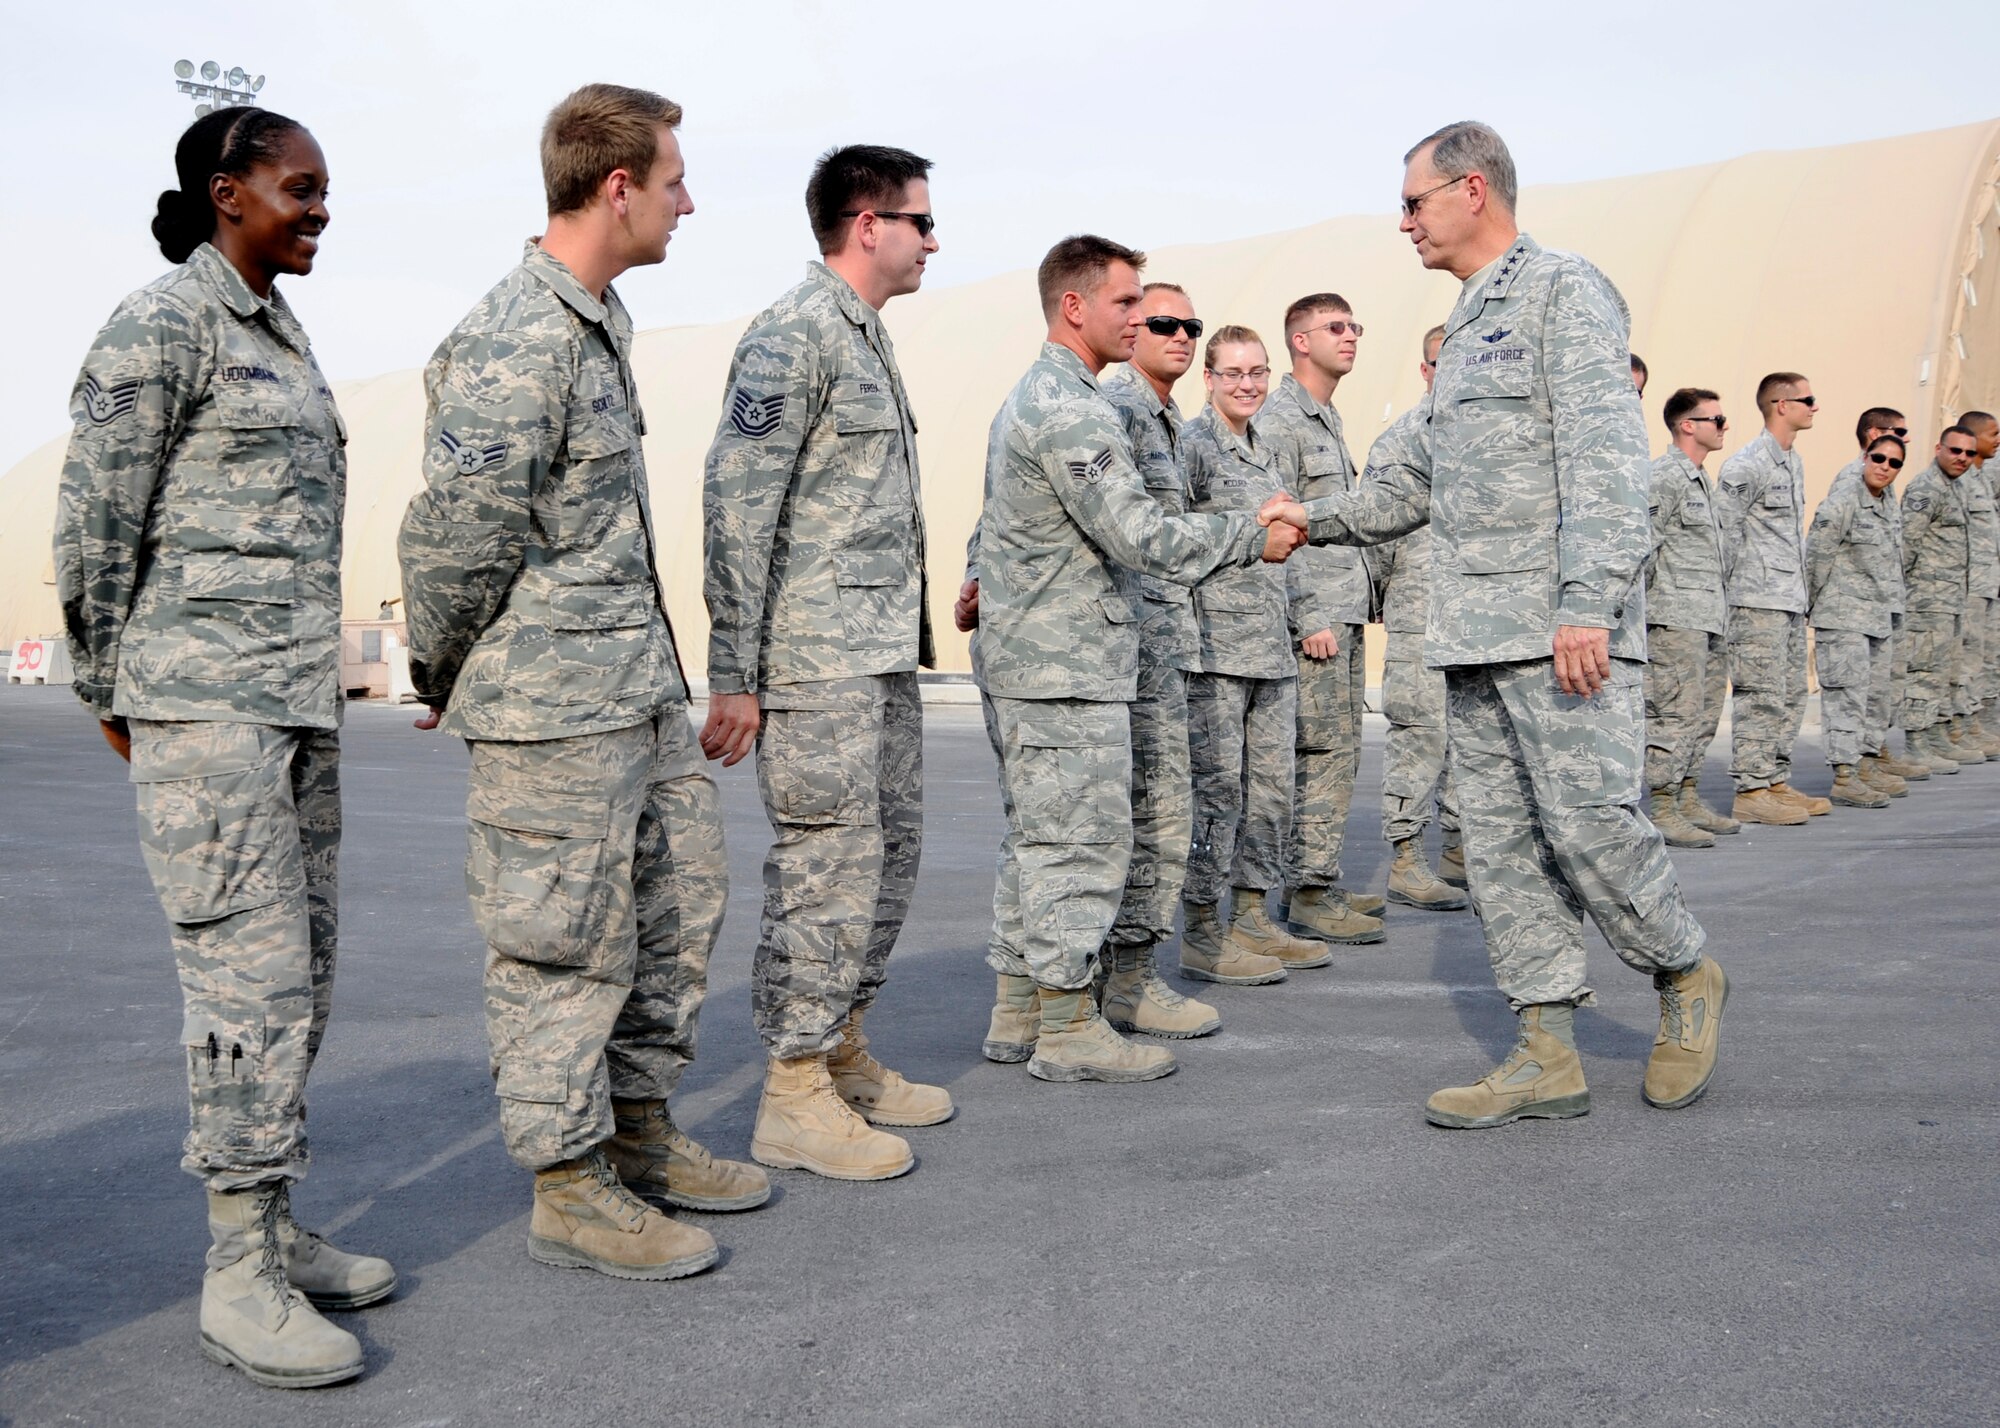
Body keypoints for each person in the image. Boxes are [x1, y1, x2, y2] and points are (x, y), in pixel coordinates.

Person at [1262, 120, 1724, 1126]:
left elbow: (1605, 459)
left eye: (1414, 202)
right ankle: (1543, 1051)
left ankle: (1682, 973)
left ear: (1471, 189)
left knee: (1591, 827)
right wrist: (1312, 517)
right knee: (1506, 853)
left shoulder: (1561, 290)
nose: (1403, 223)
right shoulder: (1468, 324)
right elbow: (1411, 479)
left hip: (1560, 632)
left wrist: (1583, 607)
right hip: (1471, 635)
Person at [53, 107, 388, 1389]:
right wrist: (114, 685)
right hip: (207, 711)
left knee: (297, 971)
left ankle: (276, 1225)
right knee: (241, 989)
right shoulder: (162, 323)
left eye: (322, 192)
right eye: (298, 189)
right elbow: (95, 523)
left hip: (291, 706)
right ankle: (235, 1275)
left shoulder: (280, 335)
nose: (316, 210)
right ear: (225, 190)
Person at [398, 84, 746, 1283]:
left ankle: (641, 1136)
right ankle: (570, 1185)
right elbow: (453, 538)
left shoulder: (599, 320)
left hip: (633, 691)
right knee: (561, 948)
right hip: (552, 713)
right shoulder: (515, 338)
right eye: (673, 180)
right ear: (616, 188)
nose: (686, 201)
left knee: (674, 914)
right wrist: (444, 667)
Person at [968, 234, 1304, 1085]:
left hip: (1051, 656)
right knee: (1079, 845)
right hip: (1067, 664)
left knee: (1041, 842)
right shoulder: (1076, 407)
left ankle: (1021, 1007)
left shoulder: (1044, 396)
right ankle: (1070, 1026)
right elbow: (1141, 532)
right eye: (1128, 303)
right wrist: (1250, 537)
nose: (1143, 319)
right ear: (1075, 306)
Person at [699, 145, 951, 1183]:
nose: (932, 240)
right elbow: (735, 505)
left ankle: (840, 1045)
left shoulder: (867, 340)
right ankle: (792, 1088)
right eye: (919, 221)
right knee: (826, 870)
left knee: (885, 858)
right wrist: (734, 671)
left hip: (877, 657)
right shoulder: (791, 336)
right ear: (865, 224)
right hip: (813, 665)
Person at [1093, 284, 1223, 1035]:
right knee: (1150, 815)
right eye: (1165, 324)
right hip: (1129, 650)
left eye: (1191, 326)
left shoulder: (1165, 418)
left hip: (1163, 646)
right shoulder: (1117, 407)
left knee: (1161, 812)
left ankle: (1127, 978)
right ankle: (1124, 981)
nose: (1181, 336)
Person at [1180, 327, 1323, 981]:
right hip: (1214, 651)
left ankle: (1251, 915)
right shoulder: (1192, 447)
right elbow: (1170, 538)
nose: (1248, 384)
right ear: (1208, 378)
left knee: (1270, 792)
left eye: (1258, 372)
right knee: (1218, 794)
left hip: (1270, 649)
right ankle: (1204, 931)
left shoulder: (1268, 448)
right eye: (1233, 372)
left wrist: (1306, 618)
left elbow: (1290, 544)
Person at [1259, 292, 1386, 947]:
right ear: (1300, 341)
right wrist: (1307, 612)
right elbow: (1277, 518)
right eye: (1337, 327)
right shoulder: (1282, 420)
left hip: (1344, 607)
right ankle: (1307, 891)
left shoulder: (1326, 418)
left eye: (1355, 325)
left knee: (1341, 751)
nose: (1352, 336)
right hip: (1318, 619)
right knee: (1321, 753)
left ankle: (1321, 880)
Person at [1370, 324, 1470, 909]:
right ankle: (1407, 859)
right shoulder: (1403, 441)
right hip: (1421, 616)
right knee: (1421, 738)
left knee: (1472, 740)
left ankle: (1460, 849)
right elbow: (1375, 535)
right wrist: (1396, 599)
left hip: (1477, 620)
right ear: (1426, 370)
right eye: (1442, 362)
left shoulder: (1484, 436)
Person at [1716, 373, 1831, 822]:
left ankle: (1775, 780)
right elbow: (1725, 534)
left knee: (1789, 694)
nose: (1814, 407)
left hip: (1786, 599)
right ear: (1781, 405)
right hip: (1755, 600)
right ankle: (1751, 789)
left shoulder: (1791, 461)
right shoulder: (1747, 465)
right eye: (1808, 399)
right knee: (1760, 695)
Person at [1642, 388, 1742, 842]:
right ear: (1688, 425)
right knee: (1673, 714)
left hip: (1709, 616)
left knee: (1704, 713)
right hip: (1674, 619)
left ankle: (1686, 795)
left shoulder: (1704, 480)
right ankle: (1662, 805)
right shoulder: (1665, 477)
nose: (1723, 427)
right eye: (1715, 420)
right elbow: (1644, 548)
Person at [1805, 435, 1908, 806]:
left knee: (1875, 697)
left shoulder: (1887, 506)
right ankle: (1844, 775)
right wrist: (1813, 606)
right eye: (1878, 458)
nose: (1884, 467)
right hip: (1843, 615)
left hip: (1878, 617)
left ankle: (1864, 764)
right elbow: (1816, 557)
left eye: (1894, 463)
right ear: (1865, 457)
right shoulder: (1844, 501)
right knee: (1846, 697)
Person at [1837, 409, 1933, 784]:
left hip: (1884, 602)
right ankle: (1855, 764)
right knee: (1855, 691)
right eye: (1897, 434)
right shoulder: (1851, 480)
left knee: (1881, 689)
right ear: (1872, 435)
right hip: (1854, 605)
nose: (1904, 442)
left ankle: (1872, 751)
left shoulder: (1886, 484)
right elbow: (1828, 546)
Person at [1901, 428, 1986, 769]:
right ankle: (1916, 741)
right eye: (1955, 451)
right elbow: (1907, 544)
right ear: (1938, 448)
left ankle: (1935, 734)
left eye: (1968, 453)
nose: (1962, 458)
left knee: (1943, 671)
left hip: (1951, 597)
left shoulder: (1959, 485)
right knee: (1923, 671)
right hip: (1926, 600)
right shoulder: (1925, 488)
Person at [1957, 411, 2000, 757]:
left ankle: (1978, 725)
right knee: (1965, 661)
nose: (1998, 439)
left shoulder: (1983, 477)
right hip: (1966, 587)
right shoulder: (1959, 482)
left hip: (1988, 584)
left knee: (1987, 659)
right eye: (1993, 434)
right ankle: (1959, 728)